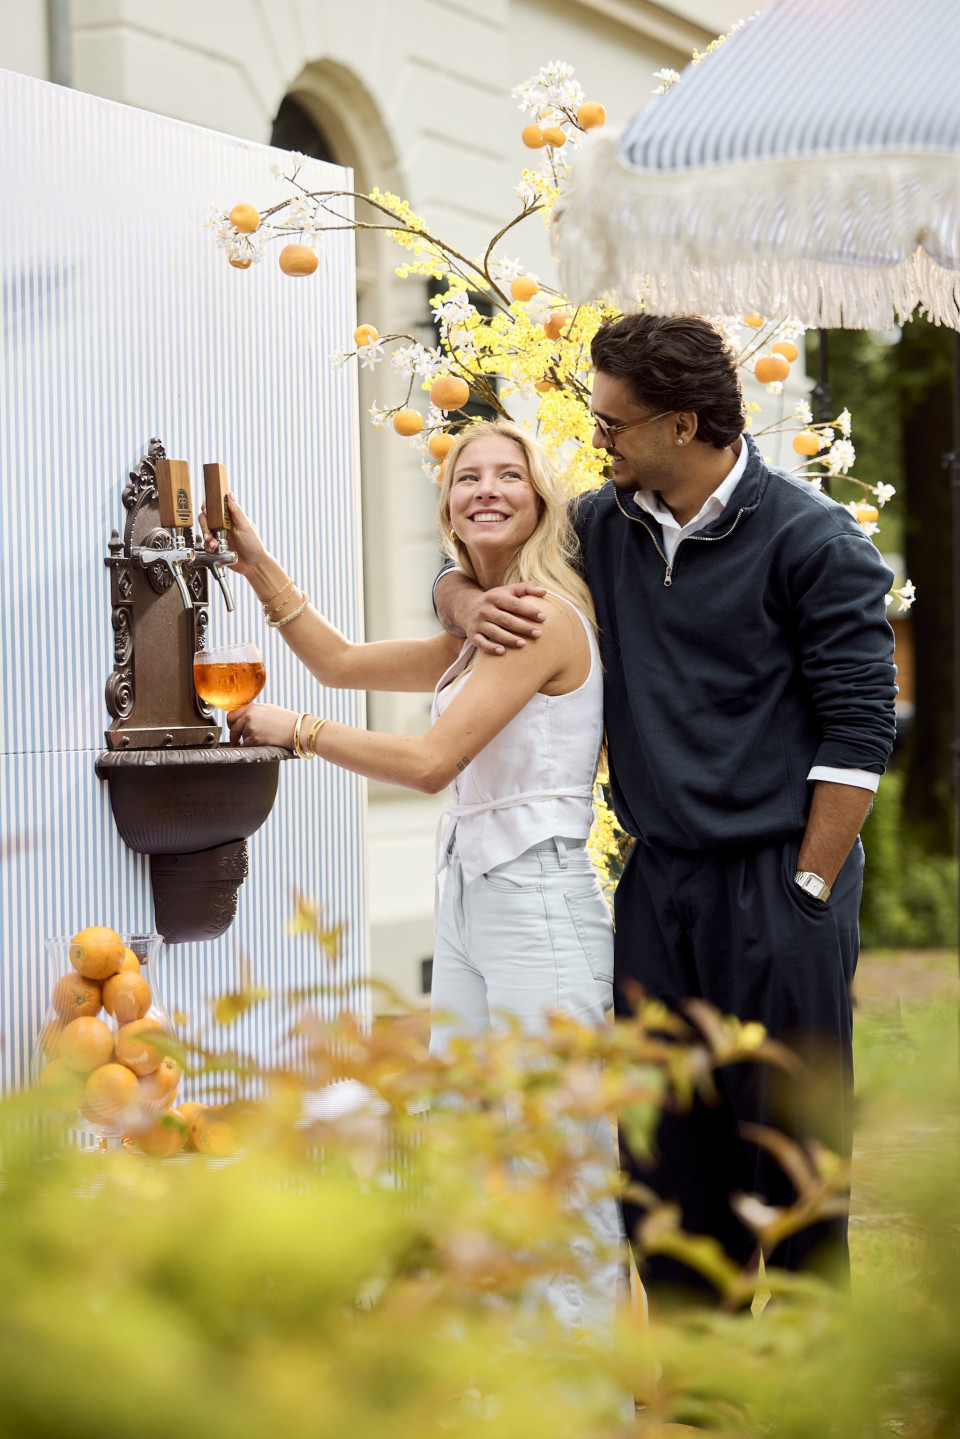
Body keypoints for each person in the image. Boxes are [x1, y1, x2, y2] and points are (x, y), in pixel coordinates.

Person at [434, 313, 898, 1307]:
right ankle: (700, 1399)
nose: (597, 436)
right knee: (664, 1163)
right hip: (657, 883)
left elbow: (860, 734)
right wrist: (461, 601)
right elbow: (487, 554)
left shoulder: (815, 541)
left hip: (780, 884)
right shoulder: (604, 523)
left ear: (682, 424)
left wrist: (810, 883)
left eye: (614, 421)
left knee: (796, 1164)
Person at [199, 419, 626, 1332]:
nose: (487, 488)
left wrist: (298, 732)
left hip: (540, 904)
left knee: (558, 1159)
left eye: (510, 475)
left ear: (541, 499)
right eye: (468, 476)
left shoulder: (541, 617)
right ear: (447, 507)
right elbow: (340, 661)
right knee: (472, 1147)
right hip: (473, 902)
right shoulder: (484, 624)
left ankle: (582, 1400)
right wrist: (252, 555)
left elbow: (431, 762)